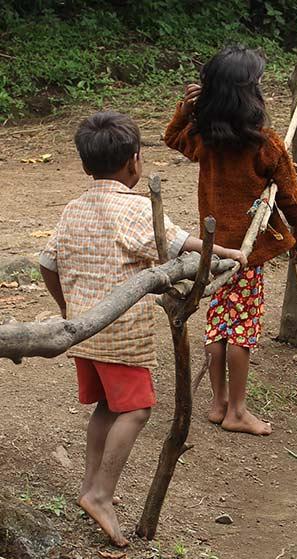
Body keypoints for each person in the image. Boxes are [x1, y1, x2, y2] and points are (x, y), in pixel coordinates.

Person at [39, 111, 246, 547]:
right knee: (136, 410)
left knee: (107, 408)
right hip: (122, 334)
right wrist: (226, 250)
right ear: (135, 161)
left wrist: (66, 307)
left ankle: (90, 485)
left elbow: (47, 262)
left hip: (84, 331)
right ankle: (100, 493)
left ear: (85, 163)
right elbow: (178, 242)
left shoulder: (72, 208)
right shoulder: (135, 208)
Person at [163, 45, 297, 436]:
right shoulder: (266, 143)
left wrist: (187, 110)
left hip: (214, 250)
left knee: (219, 325)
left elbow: (172, 136)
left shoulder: (205, 138)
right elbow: (290, 194)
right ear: (249, 95)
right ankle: (238, 411)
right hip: (244, 252)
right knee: (241, 331)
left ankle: (218, 402)